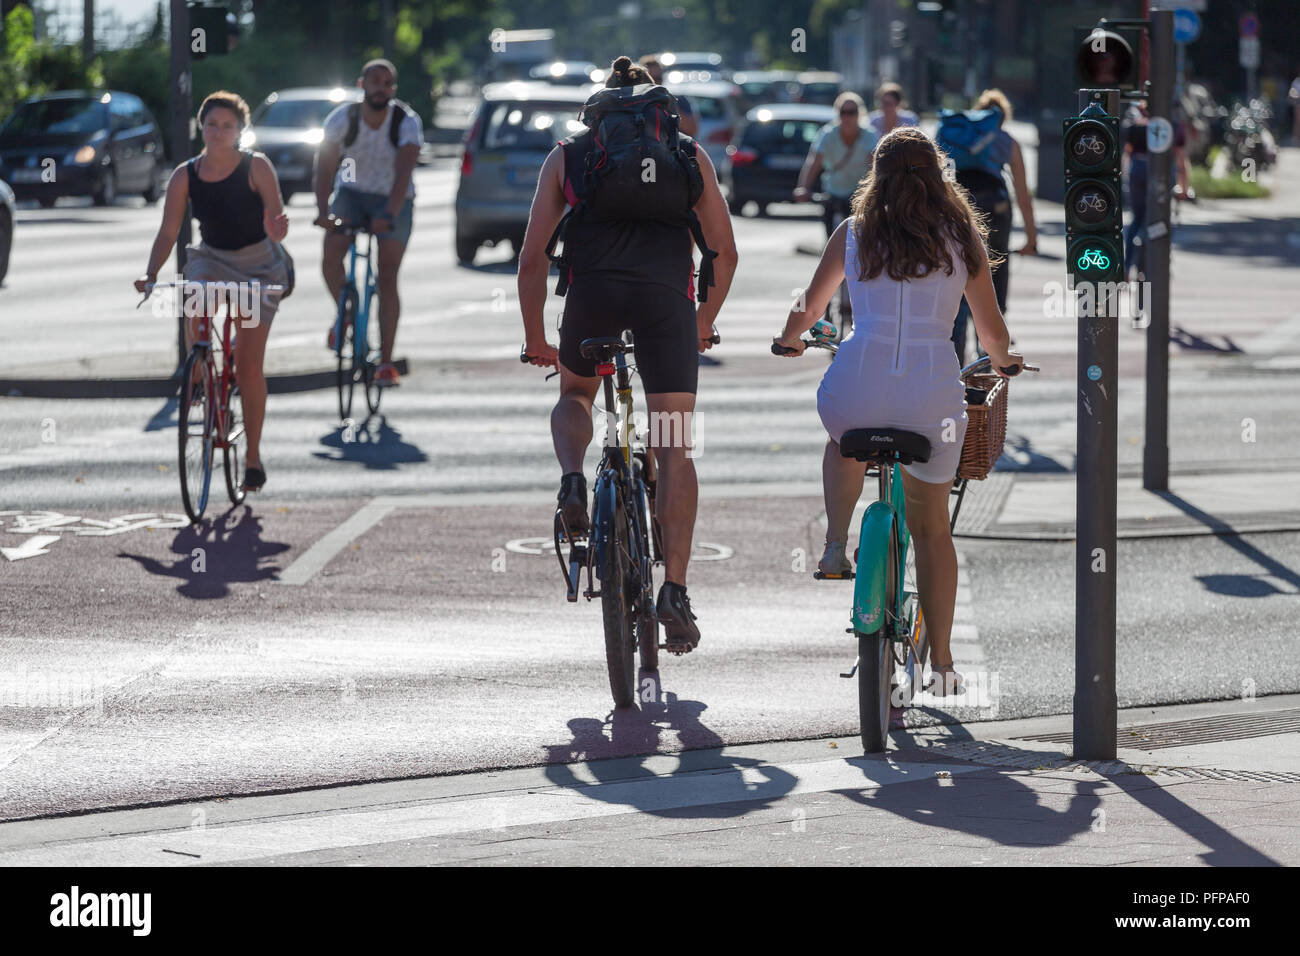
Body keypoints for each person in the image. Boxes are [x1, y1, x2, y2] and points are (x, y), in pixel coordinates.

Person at [772, 126, 1026, 696]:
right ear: (939, 177)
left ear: (876, 176)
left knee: (842, 438)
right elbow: (992, 335)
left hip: (857, 382)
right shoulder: (961, 238)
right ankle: (941, 662)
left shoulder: (854, 233)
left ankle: (837, 543)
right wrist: (1006, 361)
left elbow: (809, 307)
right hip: (931, 396)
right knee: (933, 528)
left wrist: (790, 338)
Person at [518, 55, 739, 650]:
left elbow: (533, 256)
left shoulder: (569, 155)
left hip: (593, 297)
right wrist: (702, 321)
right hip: (666, 305)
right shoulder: (688, 156)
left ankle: (571, 480)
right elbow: (724, 250)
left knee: (575, 394)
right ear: (658, 109)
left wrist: (536, 335)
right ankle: (675, 588)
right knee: (673, 447)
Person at [135, 91, 289, 493]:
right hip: (212, 257)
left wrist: (277, 227)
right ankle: (202, 369)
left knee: (249, 367)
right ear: (200, 128)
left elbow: (276, 217)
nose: (219, 132)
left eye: (227, 126)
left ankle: (252, 459)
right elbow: (169, 231)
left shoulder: (257, 167)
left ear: (240, 131)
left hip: (257, 264)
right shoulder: (186, 174)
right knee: (195, 300)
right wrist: (150, 275)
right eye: (211, 125)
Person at [314, 58, 422, 388]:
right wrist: (323, 212)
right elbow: (324, 167)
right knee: (332, 254)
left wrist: (387, 215)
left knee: (387, 275)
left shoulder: (405, 121)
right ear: (362, 84)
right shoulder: (342, 118)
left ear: (393, 88)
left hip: (395, 198)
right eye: (374, 81)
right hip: (352, 193)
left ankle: (386, 361)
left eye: (387, 82)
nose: (381, 87)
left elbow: (404, 172)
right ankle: (346, 312)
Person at [938, 89, 1036, 364]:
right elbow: (1023, 195)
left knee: (956, 267)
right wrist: (1031, 237)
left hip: (958, 210)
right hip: (996, 211)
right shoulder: (1006, 141)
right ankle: (993, 334)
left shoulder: (956, 136)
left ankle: (956, 349)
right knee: (996, 265)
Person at [794, 91, 879, 239]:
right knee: (830, 235)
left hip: (858, 193)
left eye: (851, 112)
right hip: (832, 190)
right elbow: (814, 162)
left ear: (859, 114)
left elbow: (875, 166)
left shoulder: (869, 136)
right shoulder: (828, 134)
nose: (847, 117)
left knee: (859, 236)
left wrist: (877, 191)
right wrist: (804, 187)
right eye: (843, 112)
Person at [1121, 99, 1190, 280]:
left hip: (1136, 171)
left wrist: (1126, 179)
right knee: (1160, 218)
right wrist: (1184, 188)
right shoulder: (1172, 126)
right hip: (1161, 174)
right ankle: (1160, 264)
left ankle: (1127, 267)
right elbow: (1181, 161)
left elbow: (1127, 154)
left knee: (1136, 219)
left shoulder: (1136, 126)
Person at [639, 55, 700, 137]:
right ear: (640, 80)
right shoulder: (633, 103)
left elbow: (692, 130)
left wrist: (670, 106)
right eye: (650, 79)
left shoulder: (678, 100)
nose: (654, 83)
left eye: (658, 78)